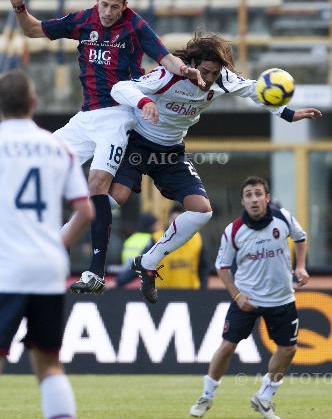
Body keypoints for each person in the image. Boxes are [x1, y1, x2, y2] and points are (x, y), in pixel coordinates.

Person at [4, 0, 203, 295]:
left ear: (125, 5)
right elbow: (34, 30)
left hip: (120, 114)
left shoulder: (135, 26)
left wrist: (185, 71)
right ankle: (39, 240)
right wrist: (19, 7)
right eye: (104, 4)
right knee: (41, 163)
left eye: (115, 6)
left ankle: (95, 271)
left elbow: (165, 57)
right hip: (86, 118)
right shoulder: (84, 20)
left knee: (97, 183)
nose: (108, 12)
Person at [106, 32, 321, 303]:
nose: (208, 79)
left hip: (170, 152)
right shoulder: (168, 74)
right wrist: (144, 102)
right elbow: (122, 88)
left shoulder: (223, 79)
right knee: (114, 200)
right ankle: (74, 240)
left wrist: (288, 114)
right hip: (138, 143)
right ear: (192, 62)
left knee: (201, 211)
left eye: (214, 73)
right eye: (205, 71)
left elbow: (255, 90)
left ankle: (148, 262)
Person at [0, 70, 94, 419]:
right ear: (34, 104)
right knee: (49, 362)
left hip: (6, 267)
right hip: (47, 269)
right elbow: (84, 211)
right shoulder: (59, 147)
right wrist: (58, 246)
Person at [190, 176, 309, 419]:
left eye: (258, 194)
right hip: (248, 299)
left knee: (288, 349)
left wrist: (301, 267)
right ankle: (207, 396)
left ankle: (264, 397)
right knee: (227, 347)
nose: (254, 199)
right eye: (249, 195)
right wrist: (236, 296)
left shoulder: (283, 217)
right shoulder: (233, 231)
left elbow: (301, 238)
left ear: (267, 198)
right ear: (243, 202)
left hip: (282, 298)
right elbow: (222, 267)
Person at [117, 204, 210, 289]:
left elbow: (203, 268)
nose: (177, 224)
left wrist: (203, 290)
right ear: (169, 220)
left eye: (180, 220)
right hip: (164, 294)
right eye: (174, 219)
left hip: (191, 293)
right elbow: (142, 263)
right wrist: (120, 281)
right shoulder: (157, 239)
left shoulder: (197, 239)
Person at [116, 212, 161, 287]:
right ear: (151, 225)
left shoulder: (130, 239)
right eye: (157, 224)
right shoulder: (152, 240)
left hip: (126, 280)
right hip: (141, 281)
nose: (159, 227)